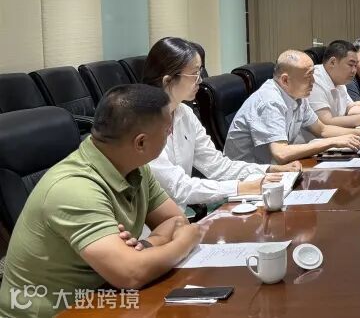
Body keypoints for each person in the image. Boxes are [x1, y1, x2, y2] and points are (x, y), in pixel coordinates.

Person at [0, 85, 206, 316]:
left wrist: (146, 247)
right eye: (167, 131)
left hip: (103, 298)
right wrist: (184, 243)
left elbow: (175, 220)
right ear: (140, 143)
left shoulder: (135, 167)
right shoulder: (74, 189)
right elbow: (131, 274)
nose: (170, 135)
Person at [142, 37, 301, 207]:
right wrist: (242, 187)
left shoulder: (185, 113)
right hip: (153, 222)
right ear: (168, 80)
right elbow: (179, 188)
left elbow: (217, 165)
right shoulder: (144, 124)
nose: (200, 80)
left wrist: (268, 170)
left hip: (178, 216)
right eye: (194, 74)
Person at [224, 50, 360, 165]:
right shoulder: (270, 101)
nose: (313, 82)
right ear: (285, 80)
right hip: (250, 180)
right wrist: (333, 142)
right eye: (308, 76)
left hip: (276, 171)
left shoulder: (297, 96)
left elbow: (322, 129)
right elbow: (281, 153)